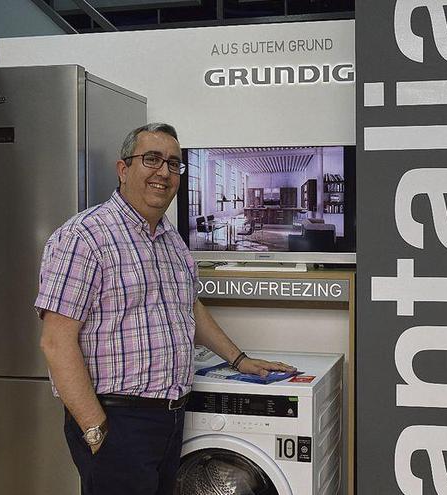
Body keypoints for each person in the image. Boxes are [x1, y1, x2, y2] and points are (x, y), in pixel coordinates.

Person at [35, 122, 294, 495]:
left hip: (171, 416)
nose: (164, 172)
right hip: (116, 419)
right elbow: (56, 343)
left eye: (173, 164)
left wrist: (240, 361)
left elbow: (189, 309)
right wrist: (95, 429)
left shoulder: (172, 240)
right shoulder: (85, 237)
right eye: (152, 159)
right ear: (123, 169)